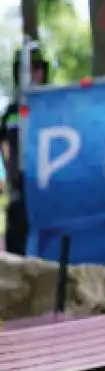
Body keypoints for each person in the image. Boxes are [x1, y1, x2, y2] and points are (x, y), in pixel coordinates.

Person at [1, 49, 50, 255]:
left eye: (38, 68)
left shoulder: (52, 106)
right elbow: (4, 146)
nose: (33, 74)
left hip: (48, 188)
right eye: (28, 69)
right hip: (20, 192)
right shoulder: (11, 112)